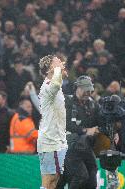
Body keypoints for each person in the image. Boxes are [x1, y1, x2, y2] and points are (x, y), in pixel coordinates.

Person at [58, 75, 100, 189]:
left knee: (92, 175)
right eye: (85, 90)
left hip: (85, 145)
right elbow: (65, 123)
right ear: (77, 88)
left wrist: (112, 130)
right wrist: (85, 130)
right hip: (69, 145)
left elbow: (100, 119)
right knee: (80, 176)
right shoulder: (67, 101)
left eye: (90, 90)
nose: (88, 93)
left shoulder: (93, 104)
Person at [37, 55, 68, 189]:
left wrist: (59, 71)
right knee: (49, 179)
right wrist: (57, 70)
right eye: (58, 62)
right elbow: (55, 83)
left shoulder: (56, 86)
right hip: (50, 141)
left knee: (54, 179)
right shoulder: (48, 85)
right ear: (51, 68)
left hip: (57, 140)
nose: (62, 64)